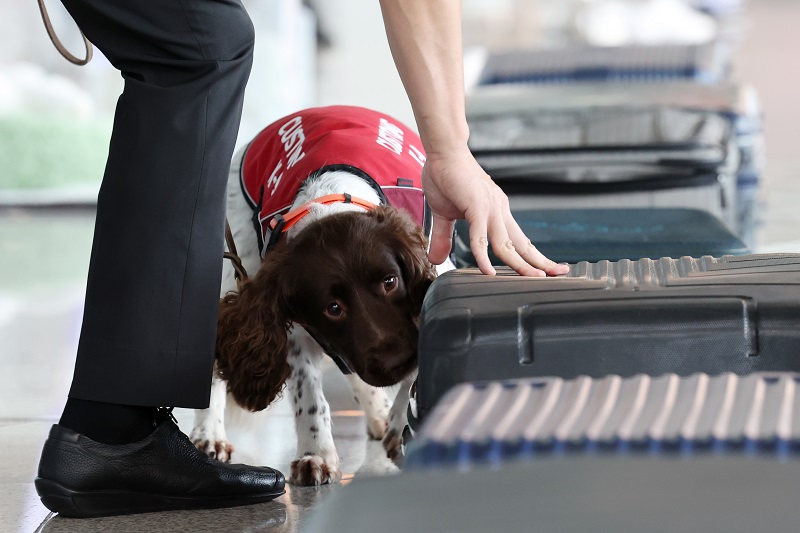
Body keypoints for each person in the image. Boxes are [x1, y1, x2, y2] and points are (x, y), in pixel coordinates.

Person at [35, 0, 570, 519]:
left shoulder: (407, 228)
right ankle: (111, 428)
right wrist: (449, 149)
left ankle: (108, 425)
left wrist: (451, 151)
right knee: (201, 46)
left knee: (204, 44)